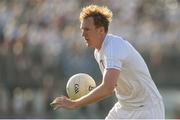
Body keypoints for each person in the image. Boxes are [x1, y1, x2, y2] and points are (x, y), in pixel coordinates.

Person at [50, 5, 165, 119]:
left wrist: (75, 103)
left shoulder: (112, 47)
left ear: (101, 30)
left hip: (147, 110)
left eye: (87, 29)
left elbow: (108, 88)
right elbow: (112, 85)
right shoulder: (98, 52)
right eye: (82, 29)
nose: (83, 34)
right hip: (124, 108)